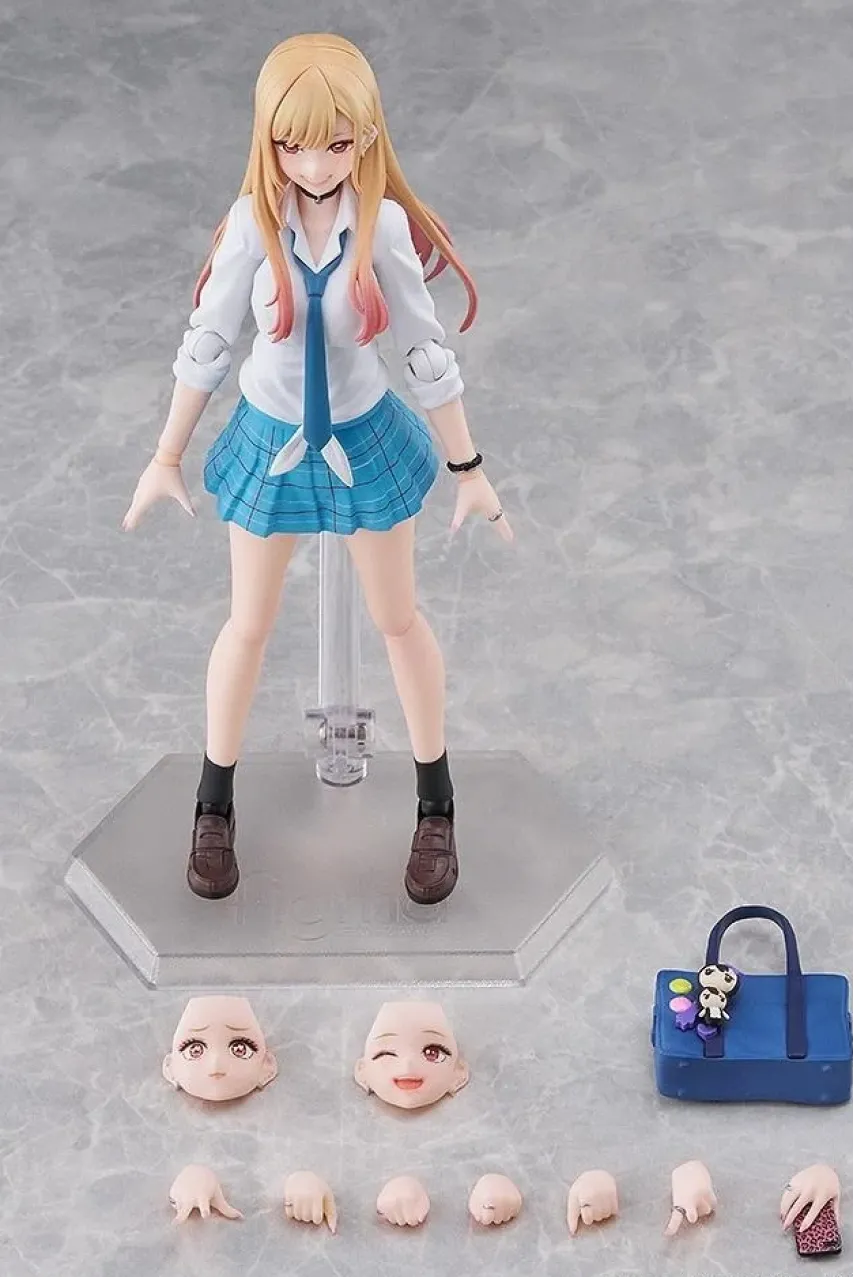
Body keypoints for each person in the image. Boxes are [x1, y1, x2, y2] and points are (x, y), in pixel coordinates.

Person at [122, 33, 512, 906]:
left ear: (365, 137)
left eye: (335, 144)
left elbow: (423, 348)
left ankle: (436, 804)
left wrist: (469, 466)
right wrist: (166, 454)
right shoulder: (252, 224)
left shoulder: (383, 228)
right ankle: (213, 804)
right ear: (268, 138)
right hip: (270, 438)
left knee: (399, 620)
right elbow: (209, 341)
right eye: (293, 144)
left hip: (365, 438)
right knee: (247, 625)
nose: (314, 164)